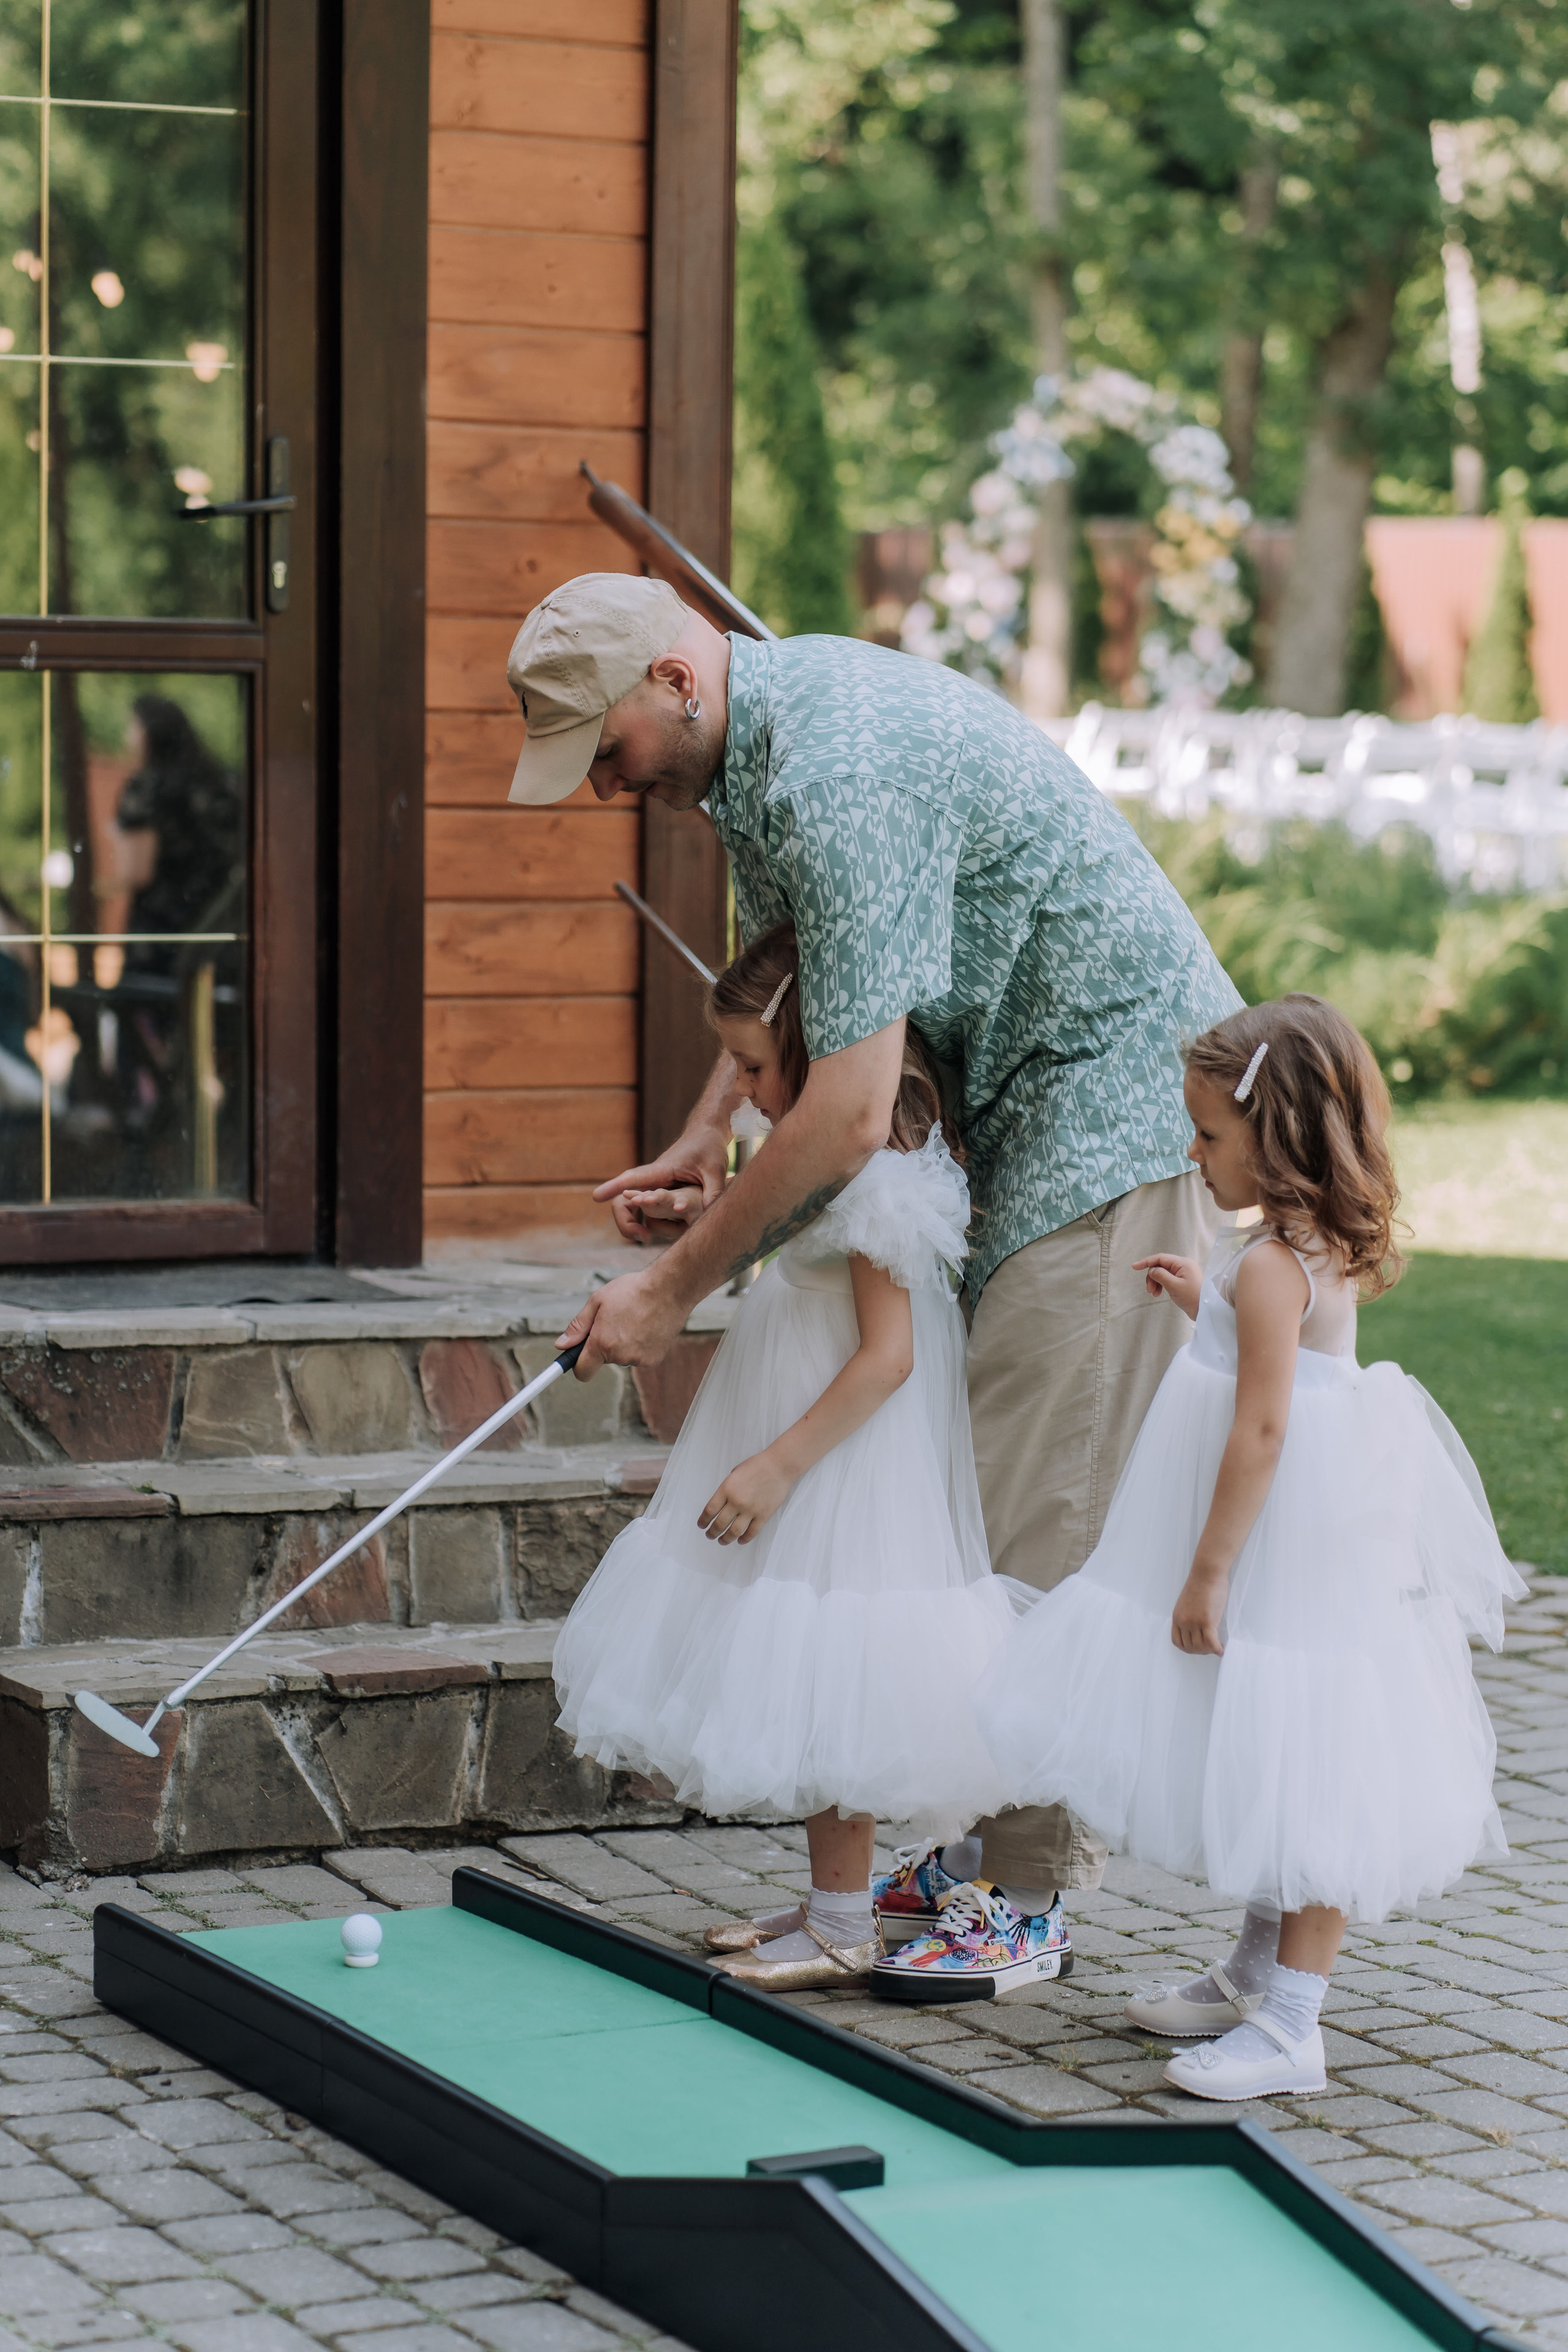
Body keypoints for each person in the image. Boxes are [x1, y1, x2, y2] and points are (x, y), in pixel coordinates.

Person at [509, 571, 1241, 1997]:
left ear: (672, 679)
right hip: (1006, 1107)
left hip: (1105, 1108)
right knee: (963, 1486)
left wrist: (668, 1293)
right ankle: (974, 1853)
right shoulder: (758, 763)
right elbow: (803, 993)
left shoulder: (835, 768)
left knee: (1034, 1502)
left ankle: (1024, 1893)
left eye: (604, 754)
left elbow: (847, 1110)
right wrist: (704, 1132)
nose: (605, 788)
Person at [949, 995, 1524, 2092]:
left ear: (1280, 1136)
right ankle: (1258, 1972)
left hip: (1278, 1535)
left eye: (1210, 1132)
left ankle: (1293, 2024)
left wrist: (1206, 1569)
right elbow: (1277, 1358)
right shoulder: (1302, 1251)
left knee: (1305, 1755)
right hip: (1320, 1525)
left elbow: (1262, 1425)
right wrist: (1198, 1305)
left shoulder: (1271, 1267)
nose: (1194, 1151)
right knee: (1281, 1740)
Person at [551, 923, 1044, 1994]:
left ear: (823, 1055)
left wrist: (777, 1465)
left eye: (757, 1065)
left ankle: (839, 1922)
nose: (741, 1088)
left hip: (840, 1458)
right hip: (802, 1429)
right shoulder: (826, 1164)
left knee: (833, 1661)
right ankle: (836, 1900)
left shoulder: (879, 1179)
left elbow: (890, 1357)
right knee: (802, 1656)